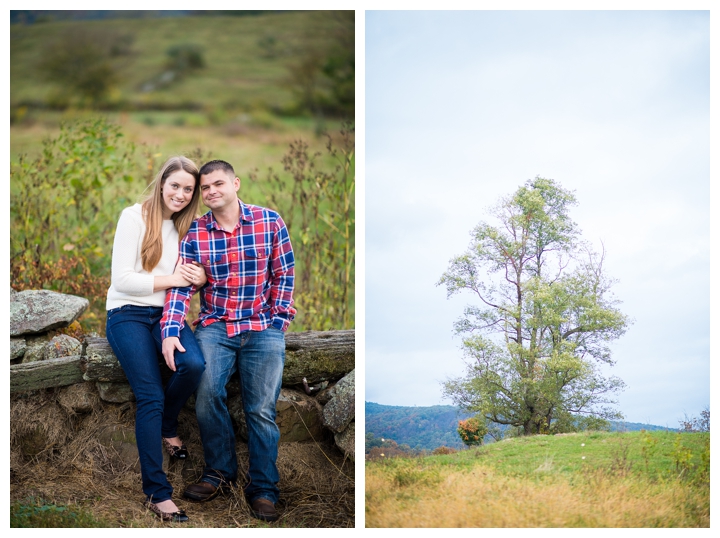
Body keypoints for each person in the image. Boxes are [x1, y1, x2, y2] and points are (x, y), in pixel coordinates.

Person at [160, 159, 296, 522]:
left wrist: (279, 321)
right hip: (216, 327)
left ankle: (264, 489)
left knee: (261, 410)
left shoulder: (269, 222)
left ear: (235, 183)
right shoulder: (196, 234)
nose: (211, 192)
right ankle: (219, 473)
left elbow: (284, 274)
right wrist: (171, 331)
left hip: (262, 326)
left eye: (218, 184)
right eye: (204, 188)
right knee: (206, 395)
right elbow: (180, 291)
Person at [105, 156, 207, 523]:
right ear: (162, 182)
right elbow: (124, 280)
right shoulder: (133, 218)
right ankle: (157, 493)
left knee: (194, 365)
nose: (180, 194)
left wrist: (198, 278)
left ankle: (167, 425)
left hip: (167, 315)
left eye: (188, 189)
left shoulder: (189, 226)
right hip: (128, 314)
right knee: (148, 394)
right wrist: (177, 280)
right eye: (175, 185)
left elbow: (193, 275)